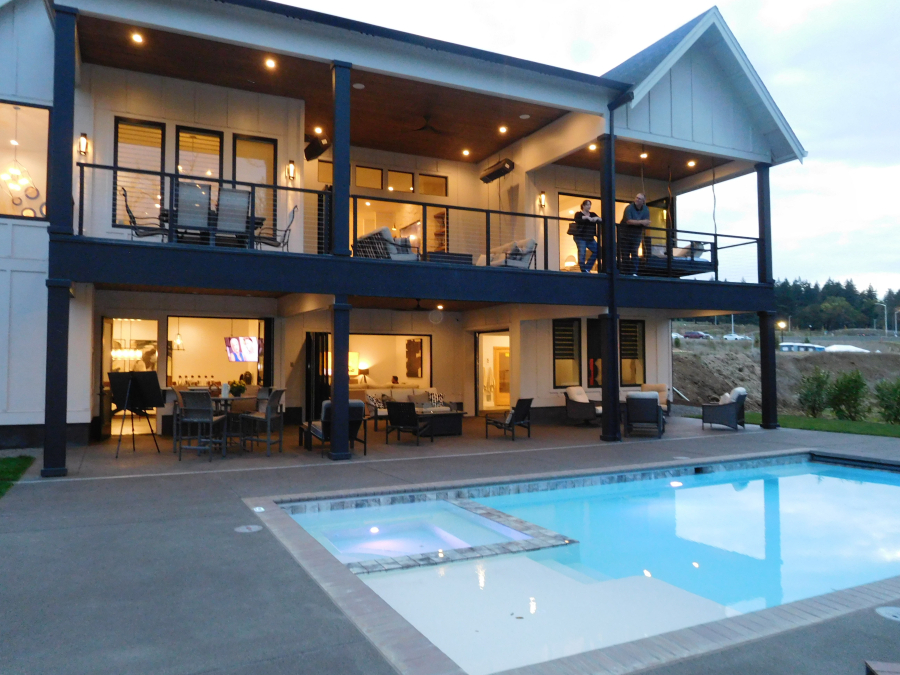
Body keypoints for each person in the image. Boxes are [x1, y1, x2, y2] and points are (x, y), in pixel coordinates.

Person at [620, 193, 651, 275]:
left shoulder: (646, 209)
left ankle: (633, 272)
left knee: (635, 254)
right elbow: (629, 221)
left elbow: (647, 222)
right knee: (625, 255)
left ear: (643, 201)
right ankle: (625, 273)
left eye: (639, 198)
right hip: (625, 235)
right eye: (636, 197)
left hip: (636, 235)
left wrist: (637, 222)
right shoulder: (629, 208)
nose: (637, 199)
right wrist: (641, 222)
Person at [571, 200, 600, 273]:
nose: (589, 206)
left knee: (598, 250)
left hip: (590, 237)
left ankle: (587, 268)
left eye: (590, 205)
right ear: (583, 206)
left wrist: (596, 218)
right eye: (587, 205)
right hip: (580, 237)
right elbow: (577, 219)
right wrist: (587, 218)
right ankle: (583, 270)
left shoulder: (592, 214)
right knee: (582, 253)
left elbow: (601, 219)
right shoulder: (578, 214)